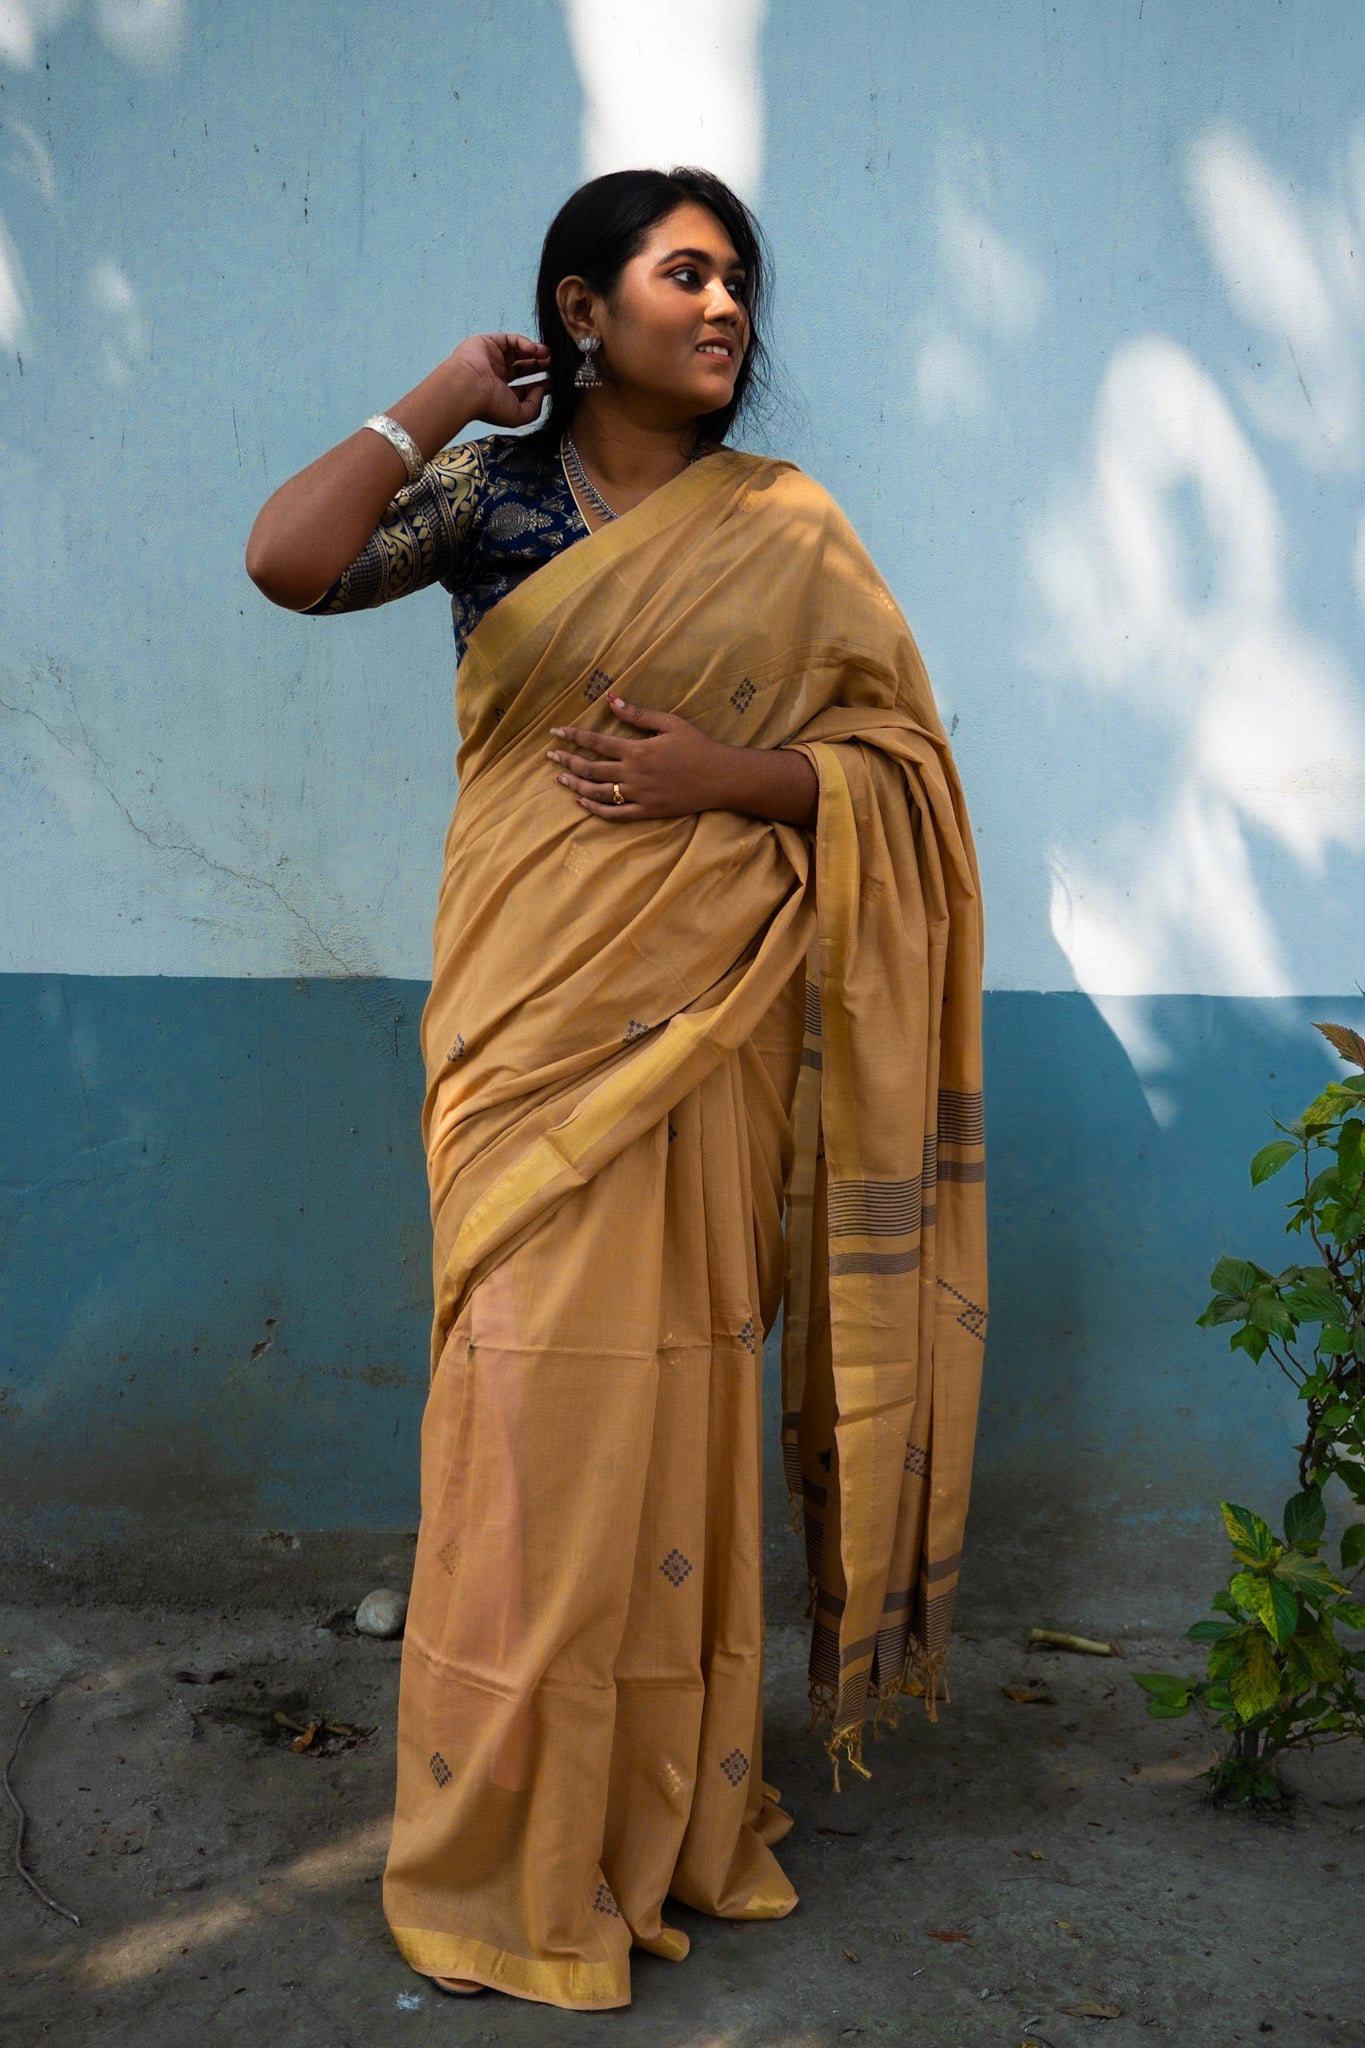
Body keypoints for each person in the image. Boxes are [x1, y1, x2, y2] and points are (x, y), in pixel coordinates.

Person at [246, 165, 988, 2014]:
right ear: (581, 311)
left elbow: (898, 776)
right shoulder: (489, 495)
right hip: (525, 1030)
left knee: (669, 1423)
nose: (727, 309)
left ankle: (655, 1822)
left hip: (701, 1046)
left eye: (738, 281)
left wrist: (726, 783)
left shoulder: (792, 529)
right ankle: (500, 1838)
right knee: (523, 1427)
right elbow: (288, 560)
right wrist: (431, 392)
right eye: (681, 276)